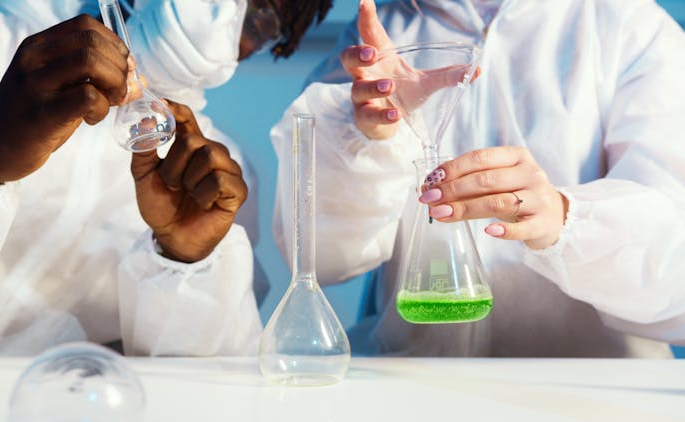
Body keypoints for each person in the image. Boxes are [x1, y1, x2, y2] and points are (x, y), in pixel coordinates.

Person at [272, 0, 685, 357]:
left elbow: (674, 261)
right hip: (416, 383)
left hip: (589, 390)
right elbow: (316, 255)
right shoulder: (385, 34)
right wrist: (367, 137)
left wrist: (563, 219)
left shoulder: (626, 26)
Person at [0, 0, 331, 356]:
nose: (221, 13)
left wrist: (183, 261)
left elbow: (210, 385)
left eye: (261, 18)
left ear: (274, 45)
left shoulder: (206, 173)